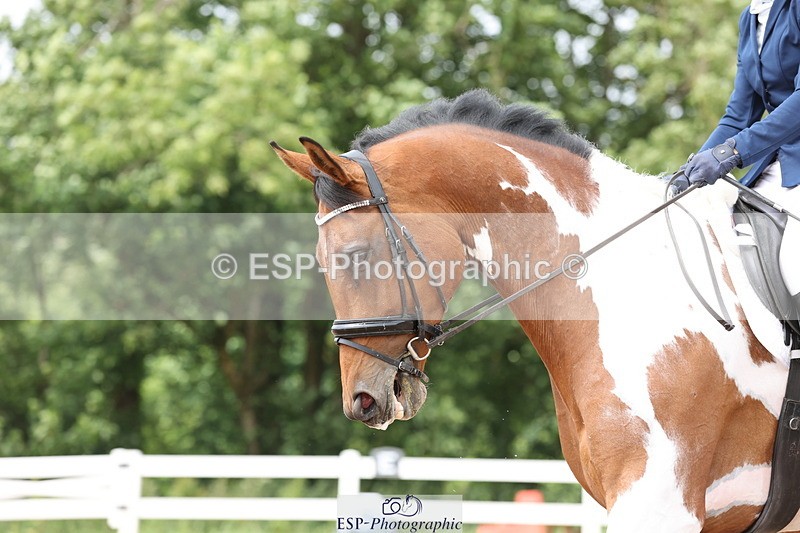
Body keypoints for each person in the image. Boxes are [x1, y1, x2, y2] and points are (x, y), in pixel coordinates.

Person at [682, 0, 800, 311]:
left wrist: (733, 151)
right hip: (780, 159)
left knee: (792, 252)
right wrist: (689, 171)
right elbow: (739, 114)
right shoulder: (749, 20)